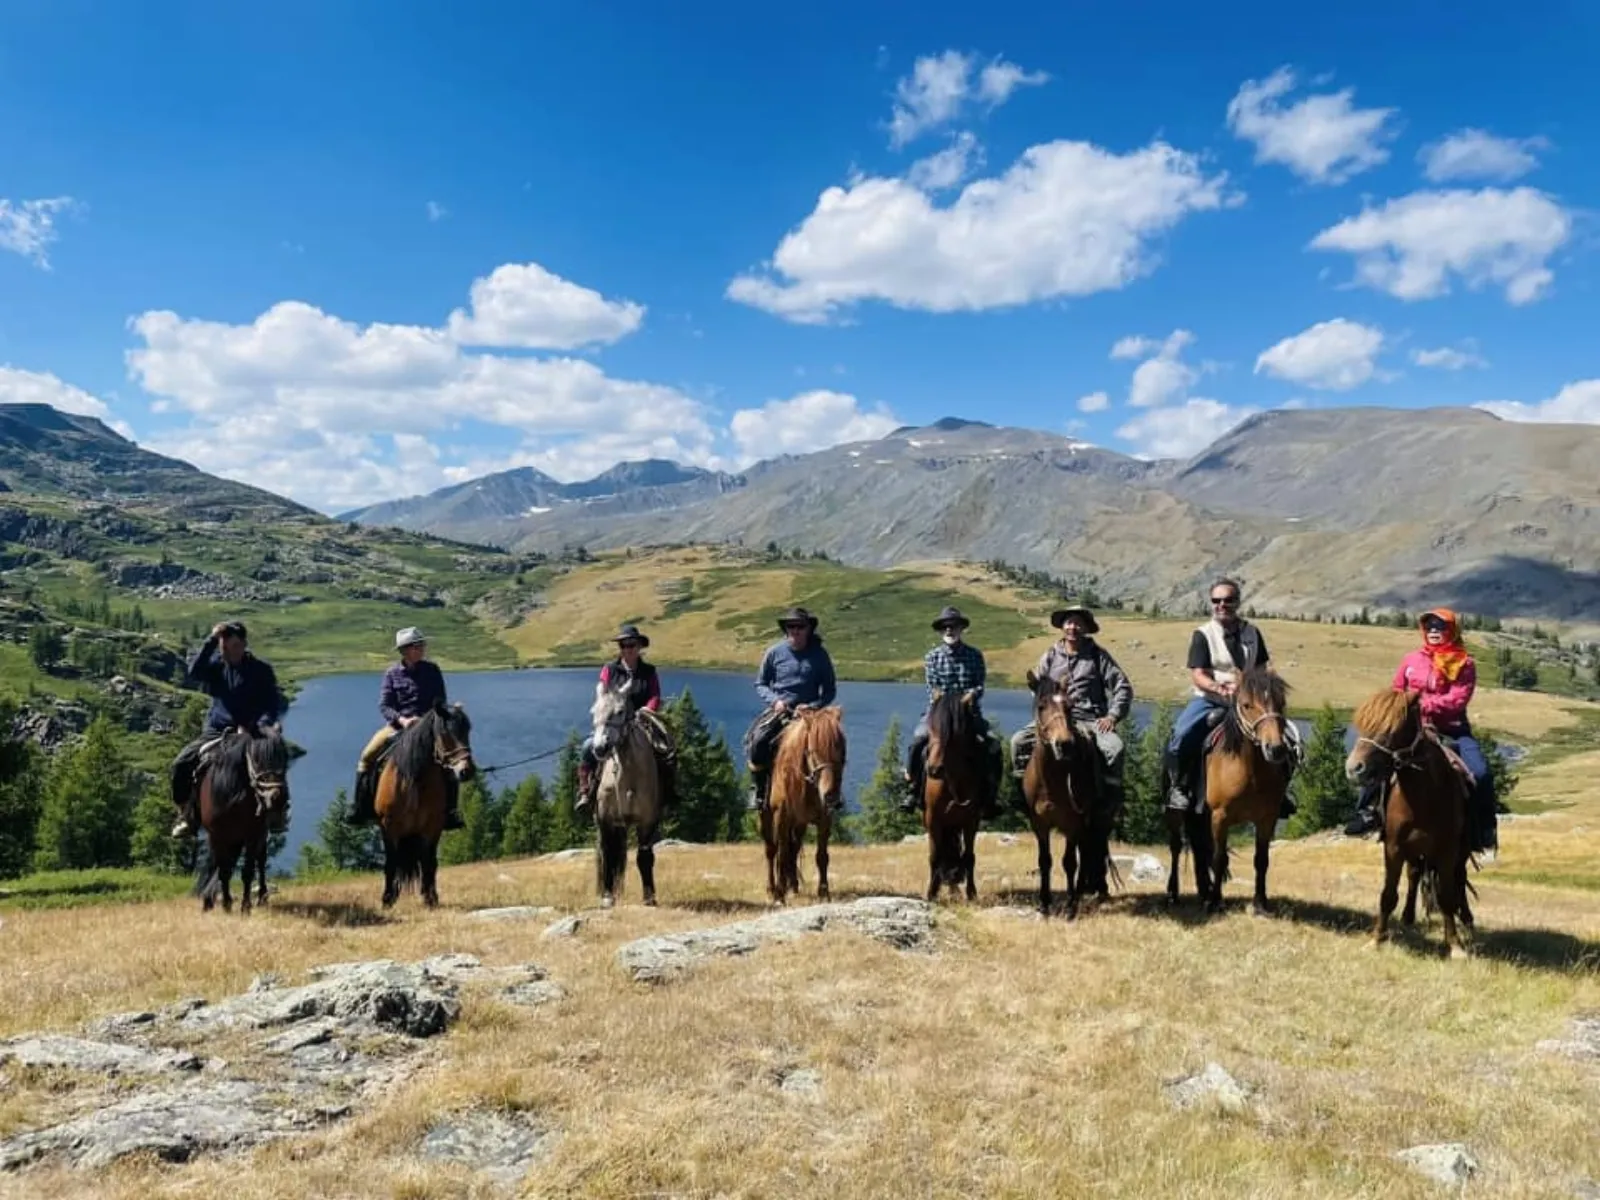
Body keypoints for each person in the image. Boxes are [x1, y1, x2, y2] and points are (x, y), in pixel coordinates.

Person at [1345, 608, 1499, 851]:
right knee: (1377, 756)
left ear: (1452, 630)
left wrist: (1421, 705)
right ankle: (1366, 813)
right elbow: (1397, 691)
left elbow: (1457, 700)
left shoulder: (1464, 664)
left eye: (1440, 627)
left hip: (1451, 729)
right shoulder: (1411, 660)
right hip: (1411, 728)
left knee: (1480, 773)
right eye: (1429, 627)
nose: (1434, 631)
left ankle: (1484, 829)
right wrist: (1395, 708)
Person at [1164, 578, 1295, 817]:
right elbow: (1198, 674)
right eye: (1217, 600)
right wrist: (1217, 687)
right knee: (1181, 736)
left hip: (1250, 703)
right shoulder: (1203, 634)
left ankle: (1282, 792)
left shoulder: (1252, 632)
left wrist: (1265, 687)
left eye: (1228, 600)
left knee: (1287, 739)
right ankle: (1179, 787)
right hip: (1212, 700)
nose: (1222, 605)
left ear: (1237, 602)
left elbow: (1261, 667)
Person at [1011, 605, 1132, 824]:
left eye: (1078, 623)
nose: (1072, 627)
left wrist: (1113, 716)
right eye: (1069, 622)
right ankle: (1022, 797)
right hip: (1055, 718)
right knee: (1017, 741)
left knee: (1115, 748)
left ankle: (1110, 801)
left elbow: (1122, 686)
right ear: (1062, 626)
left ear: (1085, 628)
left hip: (1090, 718)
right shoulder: (1050, 655)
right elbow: (1038, 687)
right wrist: (1045, 709)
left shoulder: (1097, 656)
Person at [170, 621, 285, 837]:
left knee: (274, 761)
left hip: (252, 731)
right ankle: (186, 814)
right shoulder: (216, 666)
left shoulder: (261, 670)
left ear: (243, 645)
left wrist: (260, 724)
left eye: (233, 646)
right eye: (223, 647)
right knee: (181, 764)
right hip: (217, 731)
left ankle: (278, 813)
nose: (227, 652)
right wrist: (211, 641)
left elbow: (272, 704)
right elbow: (194, 672)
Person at [349, 627, 464, 830]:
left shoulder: (432, 670)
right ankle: (361, 809)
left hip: (429, 729)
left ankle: (450, 812)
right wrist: (402, 720)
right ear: (404, 650)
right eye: (417, 646)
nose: (422, 649)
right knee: (367, 757)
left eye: (422, 645)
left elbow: (440, 700)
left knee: (451, 759)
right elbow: (385, 705)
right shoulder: (392, 674)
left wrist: (446, 712)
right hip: (398, 727)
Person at [901, 606, 1002, 816]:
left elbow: (979, 685)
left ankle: (991, 796)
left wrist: (970, 697)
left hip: (969, 715)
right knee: (918, 740)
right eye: (945, 627)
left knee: (993, 744)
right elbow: (932, 687)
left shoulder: (975, 655)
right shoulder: (932, 657)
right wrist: (945, 703)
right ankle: (912, 789)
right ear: (940, 630)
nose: (949, 630)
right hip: (939, 715)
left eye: (953, 626)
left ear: (961, 629)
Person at [744, 606, 839, 812]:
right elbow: (761, 683)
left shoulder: (820, 655)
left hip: (810, 715)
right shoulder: (774, 652)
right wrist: (775, 701)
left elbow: (830, 691)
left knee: (831, 746)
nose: (795, 630)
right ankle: (758, 790)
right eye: (791, 626)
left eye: (800, 626)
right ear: (786, 629)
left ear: (808, 629)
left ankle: (832, 793)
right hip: (781, 712)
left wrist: (813, 706)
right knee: (758, 742)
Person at [575, 624, 677, 813]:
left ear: (639, 647)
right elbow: (603, 693)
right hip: (613, 722)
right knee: (589, 747)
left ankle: (668, 794)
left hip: (642, 720)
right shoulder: (609, 669)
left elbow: (655, 695)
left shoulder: (649, 671)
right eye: (623, 645)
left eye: (631, 645)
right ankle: (586, 792)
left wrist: (646, 710)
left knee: (666, 749)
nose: (627, 649)